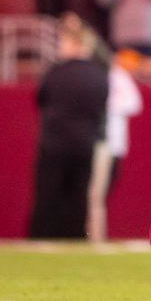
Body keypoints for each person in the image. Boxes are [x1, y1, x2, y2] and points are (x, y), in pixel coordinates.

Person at [29, 15, 108, 239]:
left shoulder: (56, 73)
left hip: (54, 143)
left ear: (75, 44)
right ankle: (74, 237)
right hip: (85, 143)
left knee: (48, 194)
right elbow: (101, 105)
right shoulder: (98, 76)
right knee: (78, 195)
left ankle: (42, 237)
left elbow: (41, 99)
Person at [87, 49, 144, 242]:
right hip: (92, 141)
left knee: (102, 190)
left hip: (111, 142)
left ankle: (93, 234)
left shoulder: (117, 76)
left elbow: (134, 103)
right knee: (93, 191)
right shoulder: (98, 76)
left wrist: (105, 105)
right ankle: (89, 234)